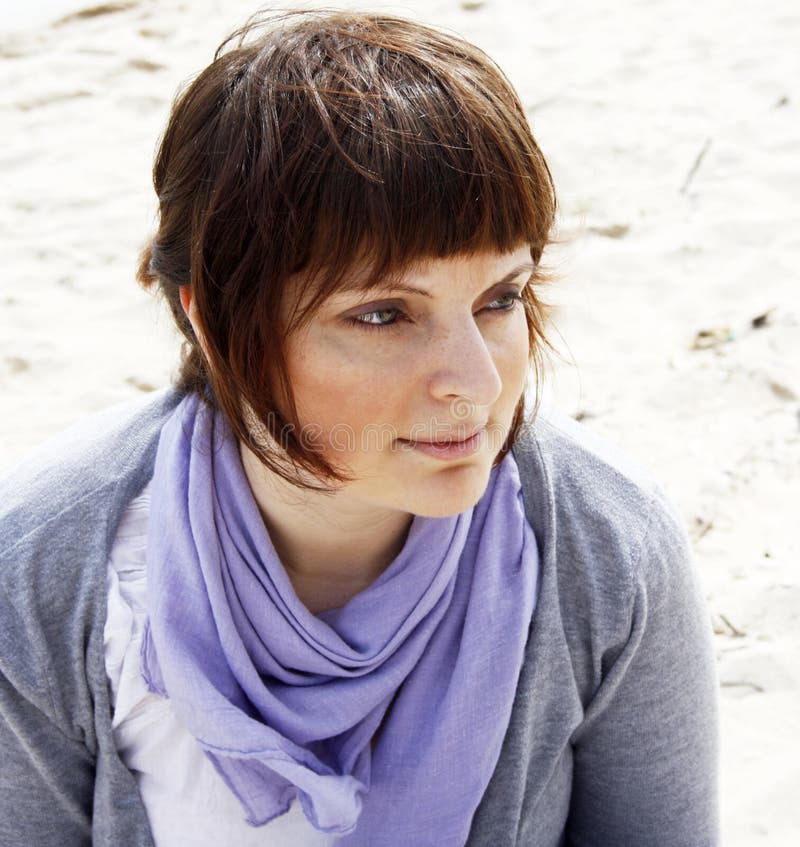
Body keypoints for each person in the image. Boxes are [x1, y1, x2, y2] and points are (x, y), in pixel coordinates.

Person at [0, 9, 719, 847]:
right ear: (211, 318)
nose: (477, 383)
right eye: (383, 314)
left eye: (500, 299)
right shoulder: (42, 571)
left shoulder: (607, 549)